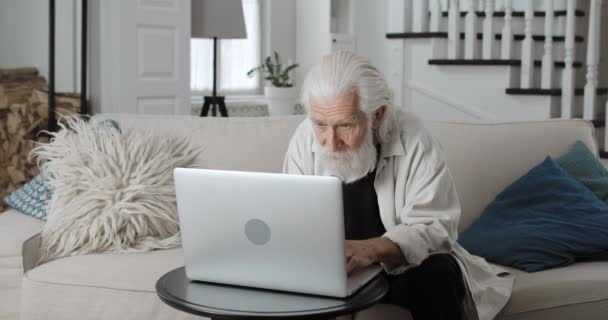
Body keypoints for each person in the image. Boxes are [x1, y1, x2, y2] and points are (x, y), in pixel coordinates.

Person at [282, 50, 513, 320]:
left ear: (377, 115)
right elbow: (292, 218)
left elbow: (436, 227)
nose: (330, 143)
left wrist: (371, 249)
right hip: (332, 270)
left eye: (345, 125)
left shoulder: (415, 139)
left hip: (399, 268)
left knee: (438, 273)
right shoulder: (303, 138)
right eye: (320, 124)